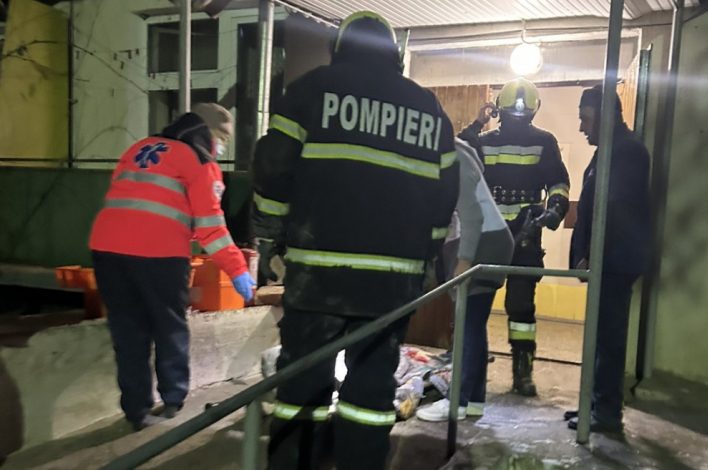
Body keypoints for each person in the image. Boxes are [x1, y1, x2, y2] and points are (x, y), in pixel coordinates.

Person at [252, 11, 458, 470]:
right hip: (390, 284)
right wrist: (426, 255)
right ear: (395, 56)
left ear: (338, 49)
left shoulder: (309, 91)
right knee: (370, 391)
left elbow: (273, 171)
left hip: (318, 278)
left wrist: (268, 239)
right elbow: (445, 195)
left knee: (301, 386)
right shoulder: (427, 108)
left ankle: (294, 463)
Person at [89, 103, 255, 431]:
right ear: (208, 132)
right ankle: (173, 400)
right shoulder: (199, 161)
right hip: (158, 253)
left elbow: (138, 199)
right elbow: (211, 228)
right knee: (170, 327)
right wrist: (238, 270)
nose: (222, 147)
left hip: (107, 249)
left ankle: (136, 410)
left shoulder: (139, 148)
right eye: (222, 138)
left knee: (128, 331)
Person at [459, 78, 570, 397]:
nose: (518, 122)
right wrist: (476, 124)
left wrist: (555, 210)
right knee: (475, 306)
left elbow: (558, 182)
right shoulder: (483, 140)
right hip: (490, 233)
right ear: (499, 112)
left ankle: (523, 371)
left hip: (526, 234)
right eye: (511, 115)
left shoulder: (545, 142)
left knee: (521, 306)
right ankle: (469, 371)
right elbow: (458, 155)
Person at [566, 85, 651, 433]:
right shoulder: (610, 151)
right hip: (608, 261)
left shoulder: (627, 152)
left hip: (614, 262)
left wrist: (591, 255)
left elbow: (614, 209)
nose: (581, 127)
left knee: (609, 340)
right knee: (600, 338)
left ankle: (605, 413)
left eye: (585, 119)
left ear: (606, 116)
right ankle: (595, 406)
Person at [415, 138, 514, 422]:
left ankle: (457, 401)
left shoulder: (453, 157)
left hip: (484, 242)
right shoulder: (448, 153)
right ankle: (473, 400)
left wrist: (464, 261)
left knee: (468, 325)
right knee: (473, 324)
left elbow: (472, 216)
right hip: (484, 241)